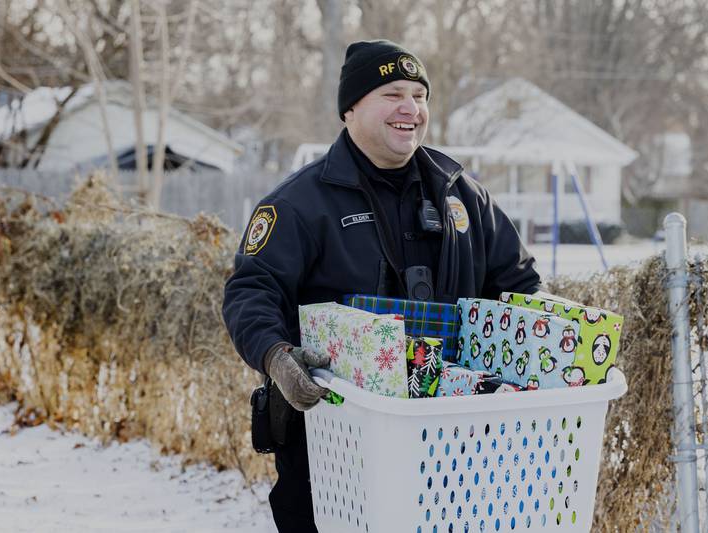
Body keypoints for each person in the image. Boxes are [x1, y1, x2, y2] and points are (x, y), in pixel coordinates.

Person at [222, 39, 541, 532]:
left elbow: (519, 287)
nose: (410, 108)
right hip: (332, 441)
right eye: (393, 93)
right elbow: (251, 291)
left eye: (419, 95)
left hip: (452, 442)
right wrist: (276, 356)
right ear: (350, 108)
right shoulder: (298, 204)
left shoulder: (464, 197)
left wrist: (555, 351)